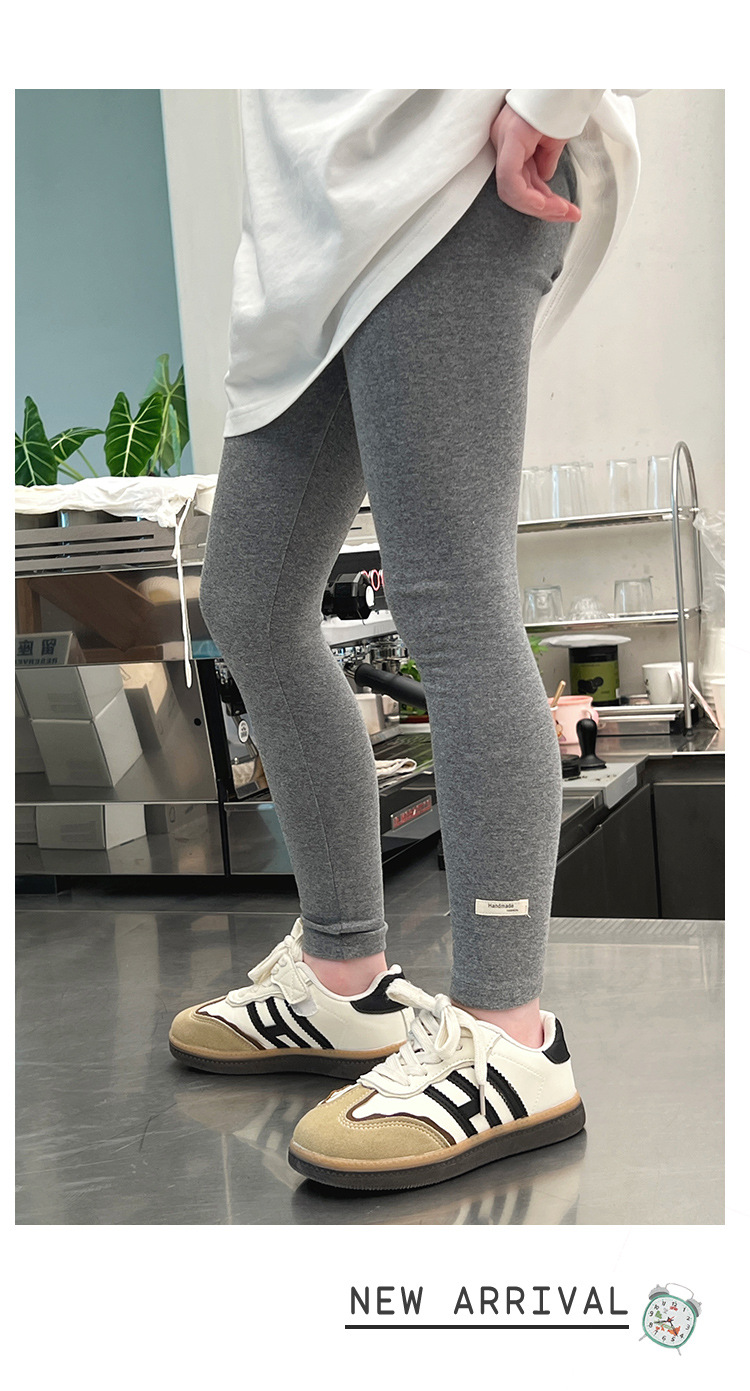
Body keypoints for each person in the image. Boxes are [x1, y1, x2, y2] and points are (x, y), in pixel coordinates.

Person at [169, 88, 647, 1192]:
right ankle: (342, 974)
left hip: (446, 161)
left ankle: (508, 1033)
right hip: (306, 237)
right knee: (251, 602)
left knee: (450, 596)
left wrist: (551, 85)